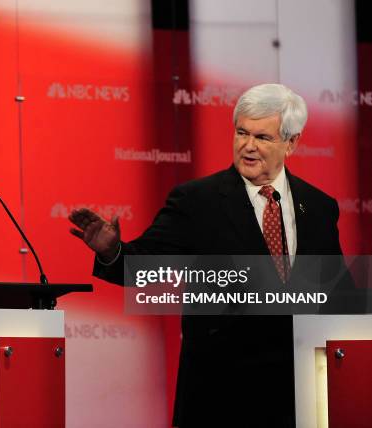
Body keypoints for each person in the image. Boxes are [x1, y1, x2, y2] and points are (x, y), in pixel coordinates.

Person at [69, 83, 344, 427]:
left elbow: (336, 295)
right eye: (241, 132)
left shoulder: (319, 206)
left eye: (263, 137)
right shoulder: (197, 201)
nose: (248, 145)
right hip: (221, 396)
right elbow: (143, 268)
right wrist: (113, 251)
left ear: (292, 143)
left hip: (300, 397)